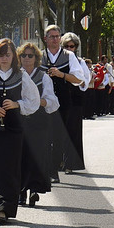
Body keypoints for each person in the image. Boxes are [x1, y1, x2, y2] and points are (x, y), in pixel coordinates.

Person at [0, 38, 37, 224]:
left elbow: (33, 101)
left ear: (13, 57)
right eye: (1, 55)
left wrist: (16, 104)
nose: (4, 59)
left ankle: (6, 208)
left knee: (11, 168)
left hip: (14, 129)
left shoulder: (22, 76)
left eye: (8, 55)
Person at [42, 25, 90, 172]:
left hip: (64, 100)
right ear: (46, 39)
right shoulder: (39, 56)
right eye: (52, 36)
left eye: (57, 36)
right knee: (44, 134)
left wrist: (61, 75)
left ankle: (55, 168)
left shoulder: (69, 57)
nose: (55, 39)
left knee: (59, 135)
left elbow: (79, 79)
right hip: (43, 101)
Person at [17, 42, 59, 205]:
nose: (27, 58)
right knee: (20, 156)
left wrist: (38, 102)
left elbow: (52, 101)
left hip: (39, 120)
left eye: (30, 55)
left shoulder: (43, 77)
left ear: (36, 58)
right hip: (20, 119)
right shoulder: (15, 75)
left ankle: (34, 189)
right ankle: (21, 192)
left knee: (37, 155)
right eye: (23, 55)